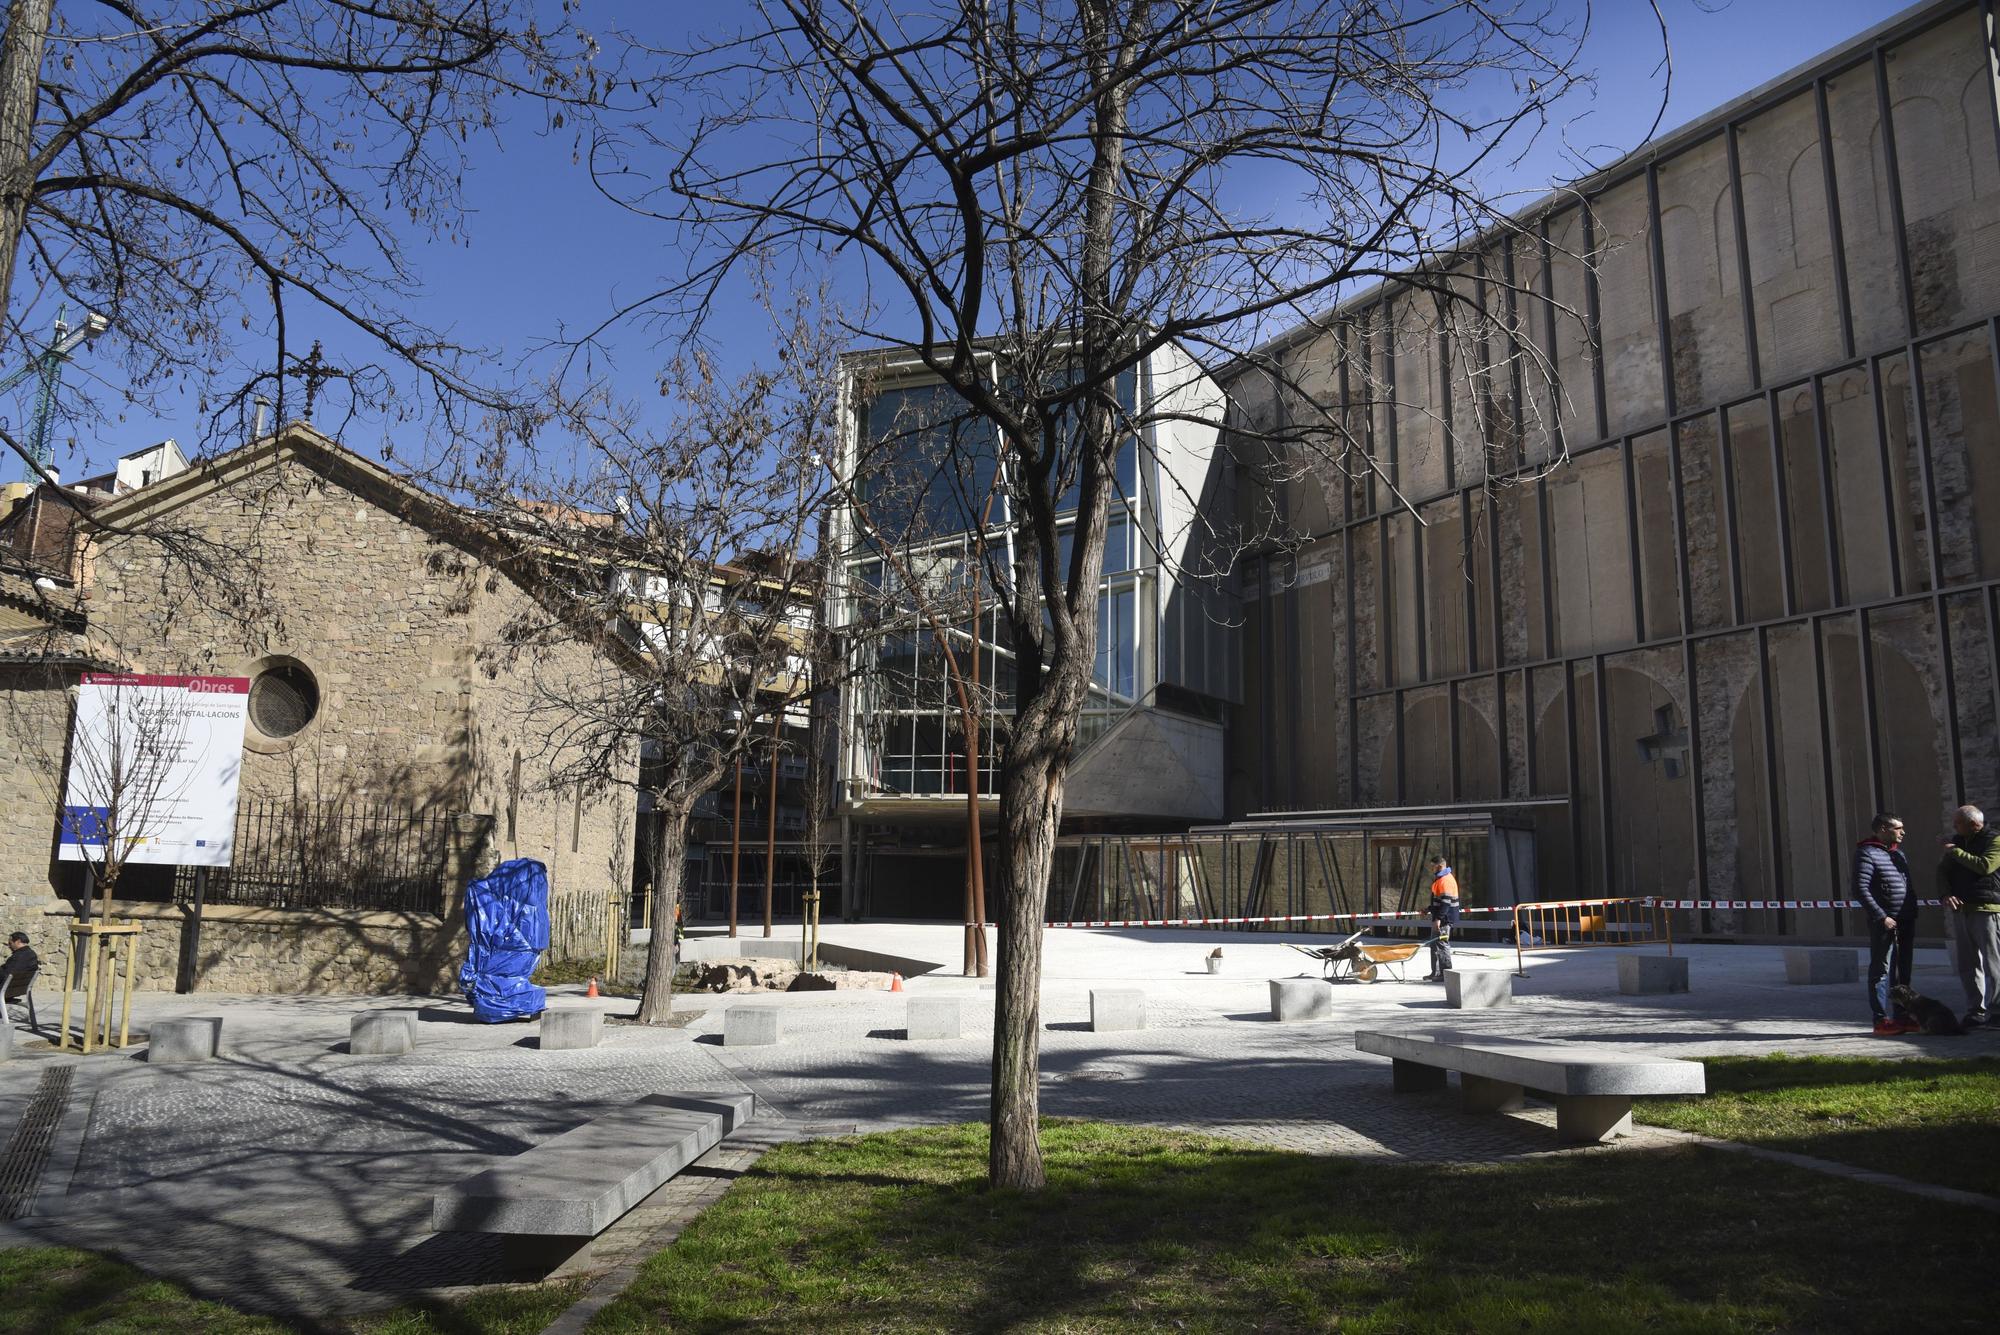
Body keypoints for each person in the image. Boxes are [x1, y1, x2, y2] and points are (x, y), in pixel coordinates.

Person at [1854, 814, 1916, 1035]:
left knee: (1903, 970)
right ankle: (1881, 1019)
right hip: (1885, 922)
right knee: (1881, 969)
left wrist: (1910, 912)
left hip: (1906, 919)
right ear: (1883, 829)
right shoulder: (1866, 853)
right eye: (1898, 828)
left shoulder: (1898, 854)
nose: (1903, 832)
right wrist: (1881, 916)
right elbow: (1860, 889)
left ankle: (1903, 1016)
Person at [1939, 804, 2000, 1027]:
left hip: (1986, 910)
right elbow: (1942, 871)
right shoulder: (1958, 841)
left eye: (1958, 823)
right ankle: (1976, 1010)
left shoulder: (1995, 840)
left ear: (1974, 824)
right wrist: (1946, 894)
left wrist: (1954, 851)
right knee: (1968, 964)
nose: (1954, 827)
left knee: (1994, 964)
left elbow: (1985, 866)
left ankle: (1997, 1011)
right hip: (1961, 910)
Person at [1422, 856, 1460, 982]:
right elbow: (1439, 901)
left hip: (1444, 919)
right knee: (1435, 945)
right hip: (1440, 917)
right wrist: (1429, 908)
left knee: (1442, 945)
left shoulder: (1445, 880)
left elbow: (1446, 903)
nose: (1431, 868)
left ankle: (1445, 974)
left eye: (1433, 866)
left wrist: (1438, 918)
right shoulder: (1441, 879)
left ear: (1439, 866)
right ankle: (1436, 973)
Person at [2, 931, 39, 1019]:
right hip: (17, 989)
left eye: (10, 943)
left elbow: (6, 975)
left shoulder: (17, 957)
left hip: (6, 990)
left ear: (18, 942)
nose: (9, 946)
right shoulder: (32, 954)